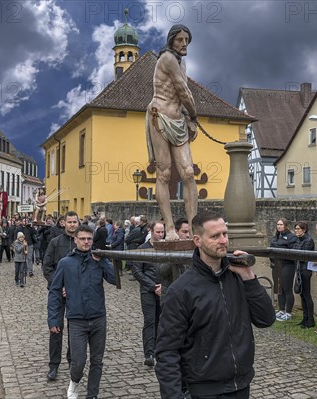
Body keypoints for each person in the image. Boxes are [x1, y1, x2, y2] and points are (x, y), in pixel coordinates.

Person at [155, 211, 276, 398]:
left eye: (225, 234)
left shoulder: (239, 278)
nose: (223, 241)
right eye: (215, 236)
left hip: (242, 385)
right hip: (205, 391)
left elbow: (266, 319)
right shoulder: (181, 290)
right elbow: (167, 351)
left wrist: (249, 277)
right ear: (197, 240)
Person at [47, 224, 116, 399]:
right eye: (83, 239)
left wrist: (104, 261)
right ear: (75, 240)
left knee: (97, 361)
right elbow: (55, 292)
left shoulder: (98, 260)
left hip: (98, 318)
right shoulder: (65, 263)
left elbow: (115, 280)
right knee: (78, 361)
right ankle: (74, 383)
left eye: (89, 239)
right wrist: (54, 319)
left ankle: (92, 394)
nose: (86, 242)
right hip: (76, 319)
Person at [146, 24, 198, 241]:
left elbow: (181, 96)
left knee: (188, 173)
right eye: (179, 39)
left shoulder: (181, 62)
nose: (184, 43)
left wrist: (186, 116)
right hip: (160, 116)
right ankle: (169, 227)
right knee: (164, 173)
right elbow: (182, 90)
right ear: (171, 41)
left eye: (187, 40)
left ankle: (195, 228)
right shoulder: (167, 58)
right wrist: (195, 116)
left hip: (178, 119)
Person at [42, 211, 80, 381]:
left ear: (78, 223)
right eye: (69, 222)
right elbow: (47, 267)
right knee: (56, 329)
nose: (72, 225)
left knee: (75, 328)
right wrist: (59, 285)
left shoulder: (82, 244)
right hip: (57, 292)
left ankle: (72, 360)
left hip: (77, 294)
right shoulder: (55, 243)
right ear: (64, 223)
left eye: (75, 222)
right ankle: (53, 365)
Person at [130, 221, 165, 367]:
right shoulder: (142, 249)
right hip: (148, 291)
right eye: (158, 232)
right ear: (150, 231)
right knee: (150, 321)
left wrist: (164, 286)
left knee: (162, 321)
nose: (161, 235)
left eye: (162, 232)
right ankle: (149, 353)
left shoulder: (166, 248)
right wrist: (153, 286)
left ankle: (160, 350)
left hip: (164, 289)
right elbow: (137, 271)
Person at [270, 218, 299, 322]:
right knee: (279, 289)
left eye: (281, 224)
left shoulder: (292, 237)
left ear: (286, 226)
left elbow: (293, 252)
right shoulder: (275, 237)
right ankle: (281, 310)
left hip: (287, 265)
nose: (279, 226)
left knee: (287, 289)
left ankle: (288, 312)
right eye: (278, 224)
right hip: (276, 265)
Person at [158, 217, 191, 294]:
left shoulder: (195, 249)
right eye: (185, 232)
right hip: (170, 294)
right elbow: (162, 271)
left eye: (190, 232)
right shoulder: (166, 248)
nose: (188, 235)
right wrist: (176, 252)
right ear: (176, 232)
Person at [292, 221, 315, 328]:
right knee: (302, 294)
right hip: (299, 268)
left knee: (306, 294)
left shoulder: (308, 240)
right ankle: (305, 318)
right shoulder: (298, 239)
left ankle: (310, 320)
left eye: (298, 229)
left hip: (305, 270)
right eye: (295, 229)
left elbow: (302, 254)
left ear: (304, 230)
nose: (296, 231)